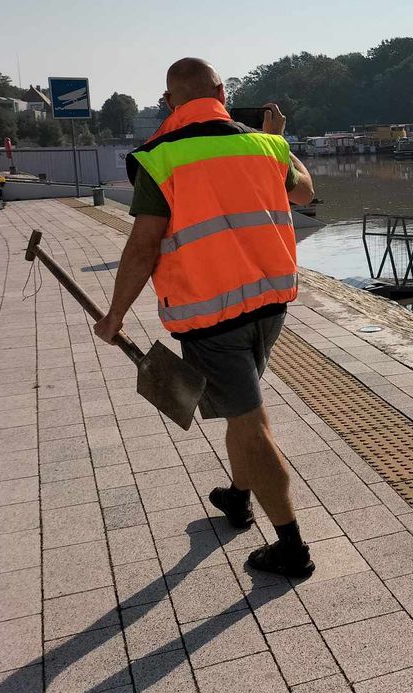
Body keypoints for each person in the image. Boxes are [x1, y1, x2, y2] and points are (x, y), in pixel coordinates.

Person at [94, 57, 317, 577]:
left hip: (212, 316)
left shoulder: (160, 158)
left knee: (249, 422)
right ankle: (238, 496)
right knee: (247, 410)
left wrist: (114, 315)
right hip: (269, 306)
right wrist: (278, 139)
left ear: (168, 102)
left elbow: (143, 246)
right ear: (222, 92)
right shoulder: (264, 146)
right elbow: (304, 191)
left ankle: (291, 546)